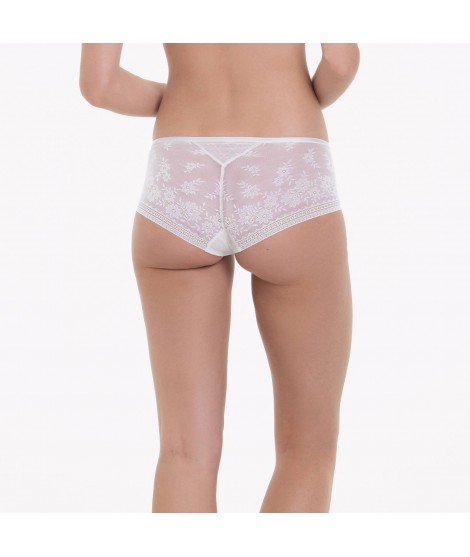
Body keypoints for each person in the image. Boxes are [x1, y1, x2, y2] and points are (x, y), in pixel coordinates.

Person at [79, 42, 359, 513]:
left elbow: (99, 85)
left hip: (179, 166)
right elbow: (341, 62)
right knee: (307, 449)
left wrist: (179, 95)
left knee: (184, 454)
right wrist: (302, 98)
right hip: (285, 158)